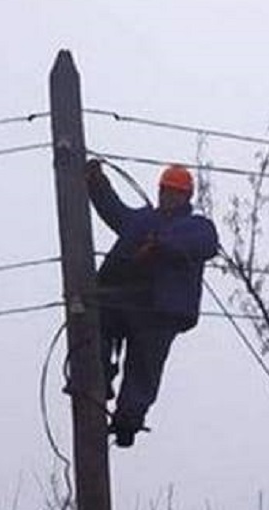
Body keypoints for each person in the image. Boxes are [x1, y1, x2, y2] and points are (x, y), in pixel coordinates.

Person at [85, 160, 219, 447]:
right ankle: (97, 378)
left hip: (160, 309)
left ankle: (128, 421)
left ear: (186, 197)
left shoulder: (196, 226)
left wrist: (160, 246)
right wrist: (97, 183)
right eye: (165, 191)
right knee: (96, 325)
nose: (168, 197)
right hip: (123, 298)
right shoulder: (144, 221)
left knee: (142, 369)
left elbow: (205, 244)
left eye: (175, 192)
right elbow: (115, 211)